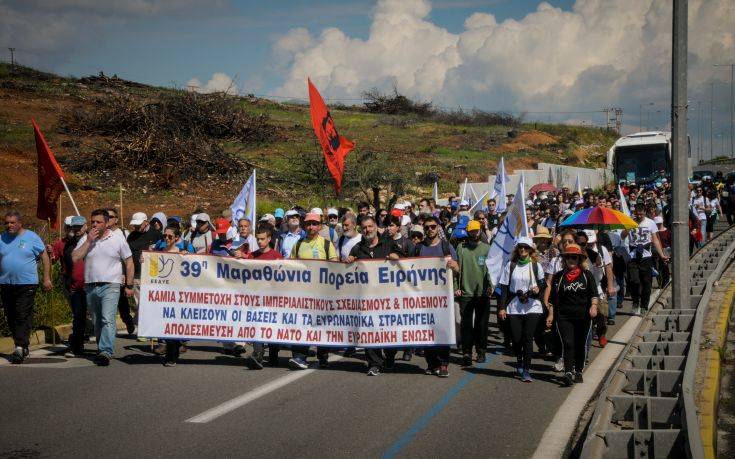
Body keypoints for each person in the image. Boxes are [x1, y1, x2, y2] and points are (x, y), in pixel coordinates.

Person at [72, 209, 134, 366]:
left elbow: (129, 261)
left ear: (106, 223)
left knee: (107, 318)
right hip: (91, 285)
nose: (94, 224)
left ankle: (106, 351)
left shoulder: (117, 239)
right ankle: (102, 347)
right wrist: (88, 242)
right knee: (97, 320)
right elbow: (75, 257)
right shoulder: (87, 239)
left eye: (98, 222)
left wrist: (129, 284)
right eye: (92, 221)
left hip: (111, 285)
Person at [346, 216, 400, 376]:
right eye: (364, 228)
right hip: (366, 299)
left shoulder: (389, 245)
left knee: (389, 330)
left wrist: (397, 257)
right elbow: (348, 272)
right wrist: (349, 261)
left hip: (388, 298)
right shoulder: (357, 248)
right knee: (370, 331)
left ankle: (390, 356)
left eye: (370, 227)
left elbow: (405, 262)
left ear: (376, 227)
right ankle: (374, 363)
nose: (367, 230)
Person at [0, 211, 52, 364]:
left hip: (27, 283)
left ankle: (19, 347)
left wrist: (47, 278)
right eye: (7, 222)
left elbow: (44, 257)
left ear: (19, 223)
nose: (9, 225)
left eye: (12, 222)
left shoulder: (31, 237)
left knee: (22, 313)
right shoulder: (2, 238)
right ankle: (23, 345)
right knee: (10, 315)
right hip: (6, 283)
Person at [288, 212, 338, 370]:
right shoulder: (298, 244)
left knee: (322, 325)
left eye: (314, 224)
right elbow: (291, 266)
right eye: (308, 224)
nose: (311, 227)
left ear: (320, 226)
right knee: (302, 323)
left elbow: (335, 266)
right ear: (304, 225)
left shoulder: (326, 244)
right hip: (303, 292)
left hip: (322, 291)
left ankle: (322, 357)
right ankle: (299, 356)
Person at [414, 215, 460, 377]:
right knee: (427, 331)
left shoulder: (446, 247)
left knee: (442, 329)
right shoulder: (419, 248)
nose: (430, 229)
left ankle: (443, 363)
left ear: (438, 227)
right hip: (424, 298)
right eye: (427, 227)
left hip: (443, 298)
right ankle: (431, 363)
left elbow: (457, 268)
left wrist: (455, 266)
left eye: (433, 226)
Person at [548, 243, 599, 386]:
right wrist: (551, 315)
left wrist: (593, 307)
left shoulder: (586, 275)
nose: (571, 260)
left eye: (574, 257)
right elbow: (552, 298)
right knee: (568, 343)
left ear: (579, 259)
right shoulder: (558, 276)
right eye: (568, 257)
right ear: (564, 259)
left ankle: (579, 371)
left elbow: (594, 294)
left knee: (580, 343)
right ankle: (568, 372)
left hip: (583, 316)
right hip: (563, 316)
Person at [498, 237, 546, 382]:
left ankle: (526, 369)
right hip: (514, 306)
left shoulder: (536, 265)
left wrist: (538, 288)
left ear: (531, 249)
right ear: (517, 249)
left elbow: (543, 284)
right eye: (520, 247)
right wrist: (501, 307)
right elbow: (504, 288)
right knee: (517, 338)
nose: (523, 249)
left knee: (527, 337)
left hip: (533, 306)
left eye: (526, 247)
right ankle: (519, 359)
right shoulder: (510, 265)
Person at [245, 224, 283, 369]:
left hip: (273, 299)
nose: (259, 242)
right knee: (257, 326)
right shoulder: (252, 256)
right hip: (257, 299)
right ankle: (258, 356)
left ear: (269, 239)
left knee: (272, 328)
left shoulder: (276, 256)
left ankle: (273, 355)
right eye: (258, 239)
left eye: (262, 239)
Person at [50, 215, 88, 357]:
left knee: (98, 317)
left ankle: (103, 346)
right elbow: (56, 260)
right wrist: (50, 253)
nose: (75, 230)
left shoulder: (93, 241)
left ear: (85, 227)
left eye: (79, 227)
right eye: (73, 227)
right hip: (75, 286)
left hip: (92, 285)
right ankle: (77, 345)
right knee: (78, 315)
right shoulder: (65, 244)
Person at [455, 220, 492, 366]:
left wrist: (491, 286)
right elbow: (456, 269)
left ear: (480, 230)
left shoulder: (487, 249)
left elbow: (492, 271)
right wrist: (456, 286)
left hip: (482, 294)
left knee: (481, 325)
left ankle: (481, 351)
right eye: (471, 231)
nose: (474, 233)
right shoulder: (461, 248)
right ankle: (467, 353)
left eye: (476, 230)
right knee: (466, 326)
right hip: (465, 292)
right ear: (467, 232)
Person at [622, 203, 669, 315]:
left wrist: (661, 255)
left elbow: (655, 240)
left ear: (644, 212)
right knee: (634, 280)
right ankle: (635, 301)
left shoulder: (650, 223)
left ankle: (644, 306)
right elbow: (622, 236)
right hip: (633, 256)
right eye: (637, 214)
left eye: (641, 214)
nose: (639, 216)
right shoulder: (630, 222)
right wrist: (628, 228)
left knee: (646, 282)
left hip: (646, 256)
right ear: (634, 213)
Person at [159, 226, 195, 366]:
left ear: (176, 238)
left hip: (179, 294)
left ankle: (171, 356)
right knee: (166, 325)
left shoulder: (181, 253)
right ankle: (172, 352)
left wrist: (188, 257)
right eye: (165, 236)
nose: (166, 239)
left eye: (169, 236)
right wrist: (145, 260)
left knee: (174, 325)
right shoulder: (159, 253)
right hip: (164, 294)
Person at [124, 212, 162, 335]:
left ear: (146, 222)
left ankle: (149, 328)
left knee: (147, 303)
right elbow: (127, 255)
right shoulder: (131, 236)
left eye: (138, 224)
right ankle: (144, 329)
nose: (136, 227)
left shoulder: (157, 235)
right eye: (134, 225)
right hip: (136, 274)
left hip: (152, 275)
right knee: (140, 303)